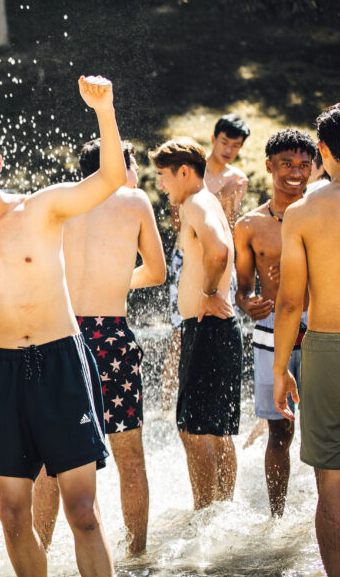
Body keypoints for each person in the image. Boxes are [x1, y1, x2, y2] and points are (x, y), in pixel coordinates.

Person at [0, 75, 125, 577]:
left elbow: (109, 179)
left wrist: (104, 111)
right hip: (5, 375)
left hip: (61, 361)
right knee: (11, 514)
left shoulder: (41, 208)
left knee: (82, 513)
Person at [32, 140, 165, 556]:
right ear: (119, 167)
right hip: (111, 336)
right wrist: (116, 277)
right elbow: (158, 272)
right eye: (135, 166)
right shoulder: (134, 200)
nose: (138, 175)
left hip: (61, 335)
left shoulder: (60, 201)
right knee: (130, 457)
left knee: (51, 462)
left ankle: (39, 557)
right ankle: (138, 556)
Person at [151, 137, 240, 510]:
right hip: (213, 330)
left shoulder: (195, 203)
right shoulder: (206, 202)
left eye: (162, 176)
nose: (159, 185)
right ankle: (221, 510)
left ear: (184, 172)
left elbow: (218, 249)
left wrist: (206, 292)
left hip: (207, 327)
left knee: (193, 429)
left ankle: (205, 515)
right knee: (215, 430)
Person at [233, 129, 316, 517]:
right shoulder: (249, 225)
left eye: (303, 164)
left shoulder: (324, 215)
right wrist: (248, 303)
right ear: (269, 166)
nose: (295, 172)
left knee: (325, 428)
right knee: (279, 430)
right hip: (269, 333)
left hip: (318, 326)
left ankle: (324, 510)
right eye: (286, 164)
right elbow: (243, 289)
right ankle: (277, 518)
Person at [274, 104, 340, 576]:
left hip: (327, 349)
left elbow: (289, 304)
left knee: (331, 486)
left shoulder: (303, 212)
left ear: (322, 152)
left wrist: (280, 370)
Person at [161, 114, 250, 409]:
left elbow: (228, 227)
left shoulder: (236, 180)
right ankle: (168, 401)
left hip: (215, 256)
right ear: (214, 139)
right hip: (184, 254)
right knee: (180, 328)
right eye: (225, 142)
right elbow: (177, 222)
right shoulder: (189, 172)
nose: (229, 150)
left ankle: (201, 403)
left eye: (236, 146)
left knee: (212, 320)